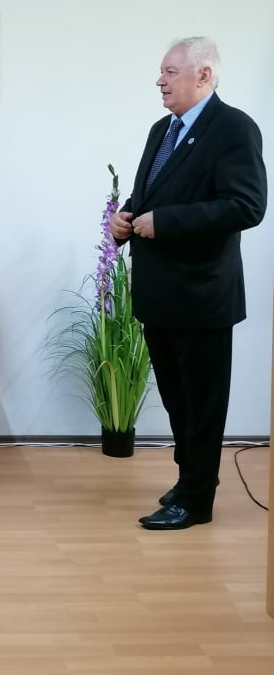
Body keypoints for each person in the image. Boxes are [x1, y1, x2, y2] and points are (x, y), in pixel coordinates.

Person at [109, 36, 267, 530]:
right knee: (179, 402)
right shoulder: (163, 129)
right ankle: (189, 481)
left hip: (202, 296)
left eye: (170, 71)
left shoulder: (234, 128)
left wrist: (168, 222)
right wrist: (124, 219)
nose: (159, 80)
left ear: (204, 74)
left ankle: (197, 502)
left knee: (202, 405)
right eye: (161, 72)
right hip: (159, 295)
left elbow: (247, 206)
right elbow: (149, 195)